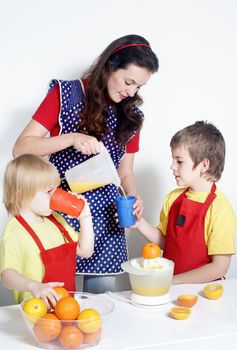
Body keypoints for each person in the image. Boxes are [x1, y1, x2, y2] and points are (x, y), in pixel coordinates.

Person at [12, 34, 159, 293]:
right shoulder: (65, 95)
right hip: (58, 210)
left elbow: (125, 173)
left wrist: (134, 198)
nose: (131, 92)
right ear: (111, 65)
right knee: (54, 299)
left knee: (98, 309)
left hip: (106, 219)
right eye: (128, 81)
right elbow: (20, 148)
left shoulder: (132, 116)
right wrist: (71, 139)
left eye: (138, 87)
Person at [132, 121, 236, 283]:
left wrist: (173, 281)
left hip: (204, 293)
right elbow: (167, 243)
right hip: (172, 288)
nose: (172, 166)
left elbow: (219, 268)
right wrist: (139, 224)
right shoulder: (173, 199)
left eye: (179, 161)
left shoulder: (221, 209)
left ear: (204, 165)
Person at [0, 154, 94, 306]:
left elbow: (85, 251)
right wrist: (34, 286)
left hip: (66, 308)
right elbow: (7, 275)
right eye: (48, 191)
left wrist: (85, 217)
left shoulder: (56, 220)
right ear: (22, 195)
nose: (55, 196)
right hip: (35, 312)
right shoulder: (15, 232)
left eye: (56, 189)